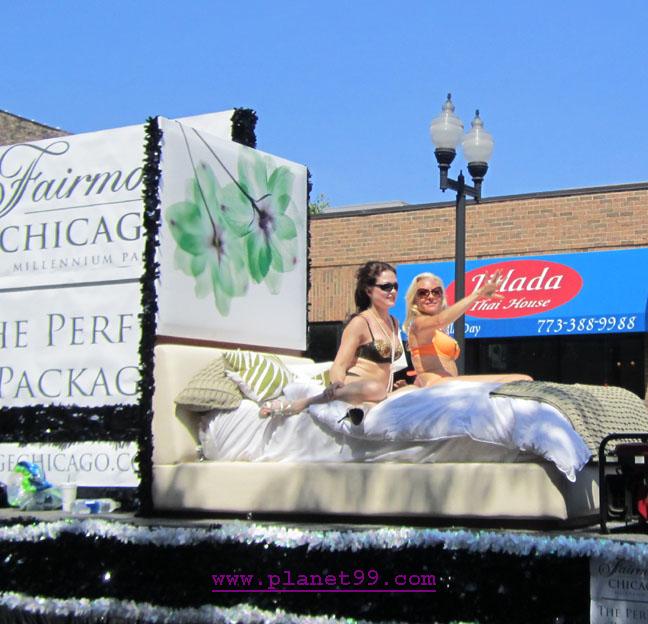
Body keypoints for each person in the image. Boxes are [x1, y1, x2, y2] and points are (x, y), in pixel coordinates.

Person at [260, 260, 408, 419]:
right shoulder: (360, 322)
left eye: (395, 287)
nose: (392, 291)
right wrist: (337, 382)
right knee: (375, 389)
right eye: (386, 287)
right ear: (369, 290)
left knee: (412, 389)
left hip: (383, 391)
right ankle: (305, 403)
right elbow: (340, 364)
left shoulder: (393, 323)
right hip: (360, 386)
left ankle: (365, 408)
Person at [403, 271, 533, 386]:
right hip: (436, 387)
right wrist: (478, 294)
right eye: (423, 293)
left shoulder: (436, 329)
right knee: (522, 380)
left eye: (436, 292)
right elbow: (441, 320)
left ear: (441, 296)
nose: (430, 296)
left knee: (521, 381)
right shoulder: (419, 323)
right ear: (414, 300)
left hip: (447, 385)